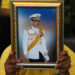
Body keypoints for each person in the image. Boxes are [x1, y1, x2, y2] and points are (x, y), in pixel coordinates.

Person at [0, 0, 75, 75]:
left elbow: (44, 43)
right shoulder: (26, 33)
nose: (37, 22)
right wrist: (25, 55)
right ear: (31, 22)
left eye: (38, 21)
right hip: (31, 56)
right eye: (35, 21)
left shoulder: (65, 55)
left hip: (41, 55)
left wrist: (47, 55)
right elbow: (25, 43)